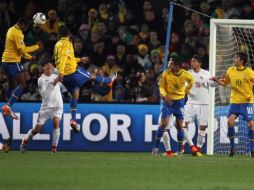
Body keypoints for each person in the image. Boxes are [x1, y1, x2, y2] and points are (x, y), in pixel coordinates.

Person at [54, 26, 117, 133]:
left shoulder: (57, 44)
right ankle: (108, 81)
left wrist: (79, 59)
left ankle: (73, 120)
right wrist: (60, 72)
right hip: (72, 72)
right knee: (91, 76)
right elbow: (64, 57)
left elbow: (65, 58)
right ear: (68, 35)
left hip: (65, 77)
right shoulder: (67, 43)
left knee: (75, 93)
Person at [211, 52, 254, 157]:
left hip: (247, 102)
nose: (233, 59)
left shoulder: (249, 72)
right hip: (234, 102)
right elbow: (224, 83)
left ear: (241, 60)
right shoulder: (230, 70)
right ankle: (232, 148)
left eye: (236, 57)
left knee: (251, 124)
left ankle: (252, 150)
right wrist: (216, 80)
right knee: (229, 122)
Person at [152, 55, 194, 157]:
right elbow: (161, 86)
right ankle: (156, 148)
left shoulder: (186, 75)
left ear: (177, 66)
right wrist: (165, 95)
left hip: (179, 102)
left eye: (170, 63)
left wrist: (186, 92)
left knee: (179, 126)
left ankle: (179, 150)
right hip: (167, 101)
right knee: (163, 124)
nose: (168, 65)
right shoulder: (166, 72)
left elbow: (191, 81)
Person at [1, 17, 40, 119]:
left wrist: (29, 57)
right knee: (23, 84)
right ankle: (8, 106)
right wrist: (36, 47)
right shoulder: (17, 33)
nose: (26, 29)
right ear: (21, 24)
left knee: (12, 84)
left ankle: (8, 107)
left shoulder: (11, 29)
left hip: (5, 61)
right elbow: (22, 50)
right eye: (26, 26)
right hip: (13, 62)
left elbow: (20, 50)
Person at [20, 62, 62, 154]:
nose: (50, 69)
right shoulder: (41, 80)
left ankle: (54, 148)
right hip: (46, 108)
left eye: (51, 68)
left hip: (58, 106)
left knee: (56, 124)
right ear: (43, 69)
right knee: (37, 130)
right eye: (48, 68)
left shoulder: (56, 75)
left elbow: (64, 70)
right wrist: (53, 84)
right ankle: (25, 140)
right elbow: (44, 94)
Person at [182, 54, 216, 156]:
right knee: (184, 125)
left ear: (199, 63)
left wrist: (217, 81)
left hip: (204, 103)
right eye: (191, 61)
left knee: (202, 127)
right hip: (191, 103)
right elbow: (184, 87)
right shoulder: (188, 74)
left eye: (194, 61)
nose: (191, 63)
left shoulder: (206, 73)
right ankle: (182, 148)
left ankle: (198, 150)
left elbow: (212, 84)